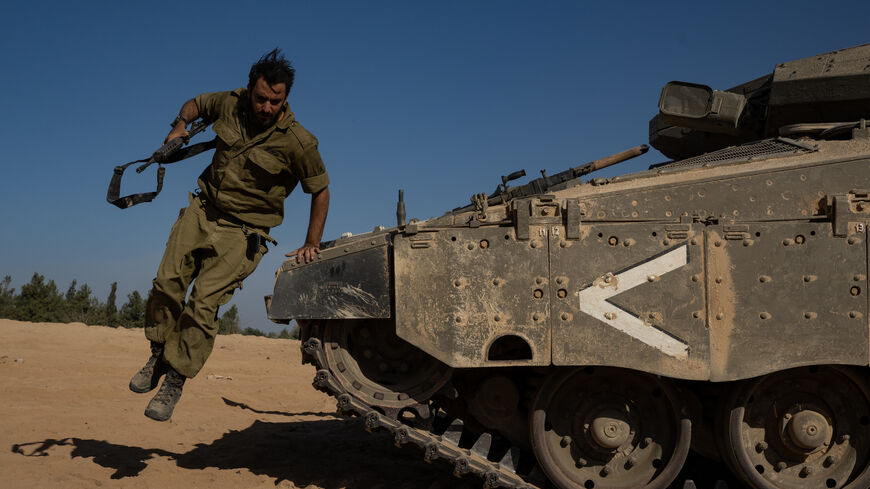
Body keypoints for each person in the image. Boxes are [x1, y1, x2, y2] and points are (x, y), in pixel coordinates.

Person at [129, 48, 330, 421]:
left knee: (203, 302)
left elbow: (320, 189)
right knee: (166, 282)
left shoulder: (299, 142)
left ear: (286, 98)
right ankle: (157, 356)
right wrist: (179, 124)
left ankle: (175, 380)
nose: (267, 107)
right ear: (250, 88)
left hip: (245, 231)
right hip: (203, 209)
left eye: (276, 101)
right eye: (261, 98)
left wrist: (312, 242)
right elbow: (196, 104)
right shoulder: (230, 103)